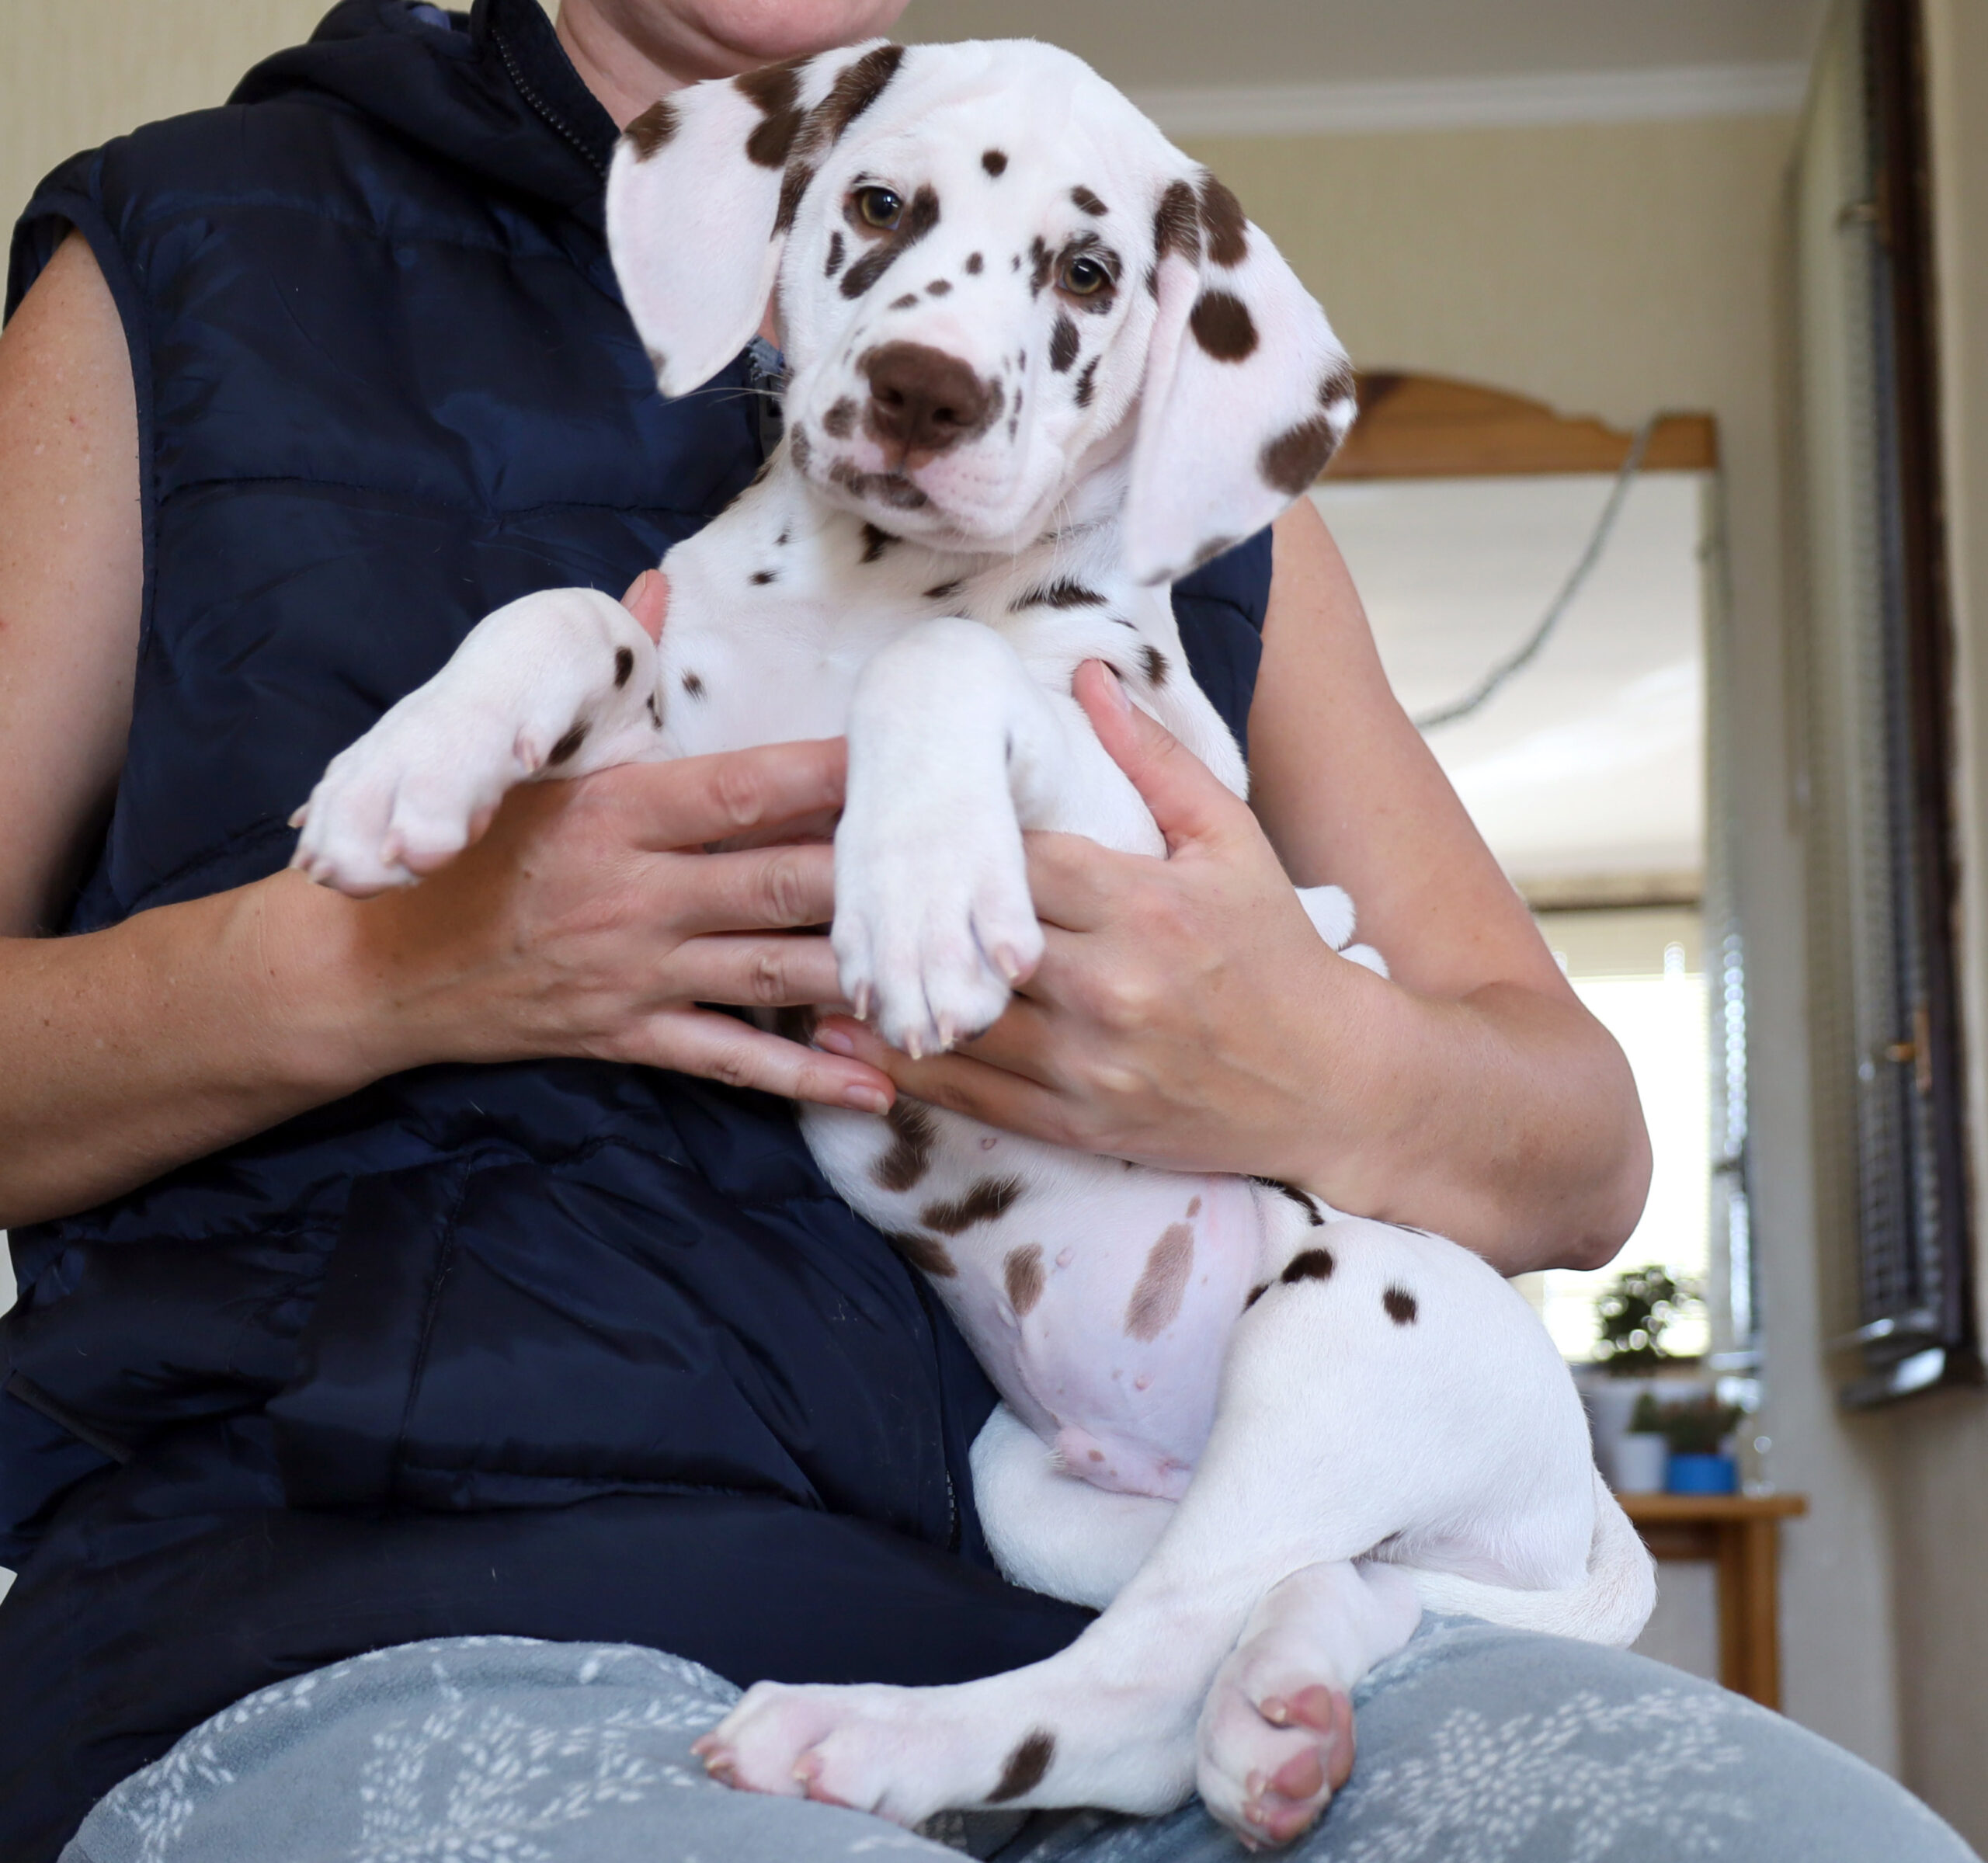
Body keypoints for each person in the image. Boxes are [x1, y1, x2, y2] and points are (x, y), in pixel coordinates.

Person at [0, 2, 1972, 1860]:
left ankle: (1207, 1664)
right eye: (881, 216)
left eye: (1071, 280)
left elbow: (1577, 1153)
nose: (953, 324)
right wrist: (391, 967)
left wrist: (1301, 1048)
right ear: (768, 241)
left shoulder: (1157, 468)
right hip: (369, 1587)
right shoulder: (194, 252)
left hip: (1096, 1556)